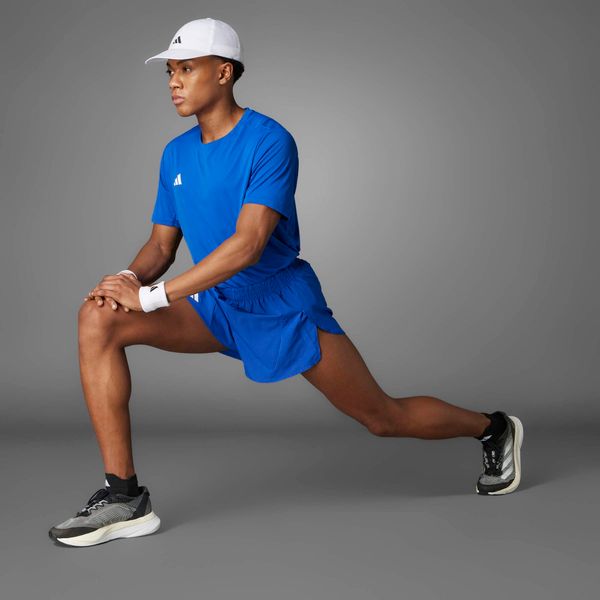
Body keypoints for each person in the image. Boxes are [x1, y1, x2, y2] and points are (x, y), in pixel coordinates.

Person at [48, 18, 524, 547]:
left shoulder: (269, 141)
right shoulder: (175, 154)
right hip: (212, 302)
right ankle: (124, 498)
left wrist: (152, 296)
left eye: (186, 68)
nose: (174, 82)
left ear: (224, 72)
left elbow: (248, 245)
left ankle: (493, 428)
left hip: (279, 303)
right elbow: (161, 245)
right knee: (98, 319)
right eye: (170, 72)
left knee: (382, 417)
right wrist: (125, 280)